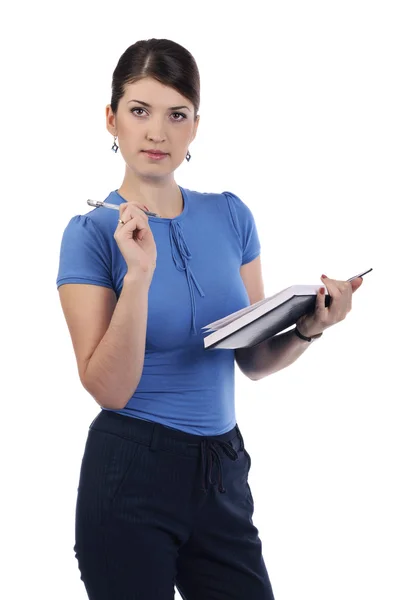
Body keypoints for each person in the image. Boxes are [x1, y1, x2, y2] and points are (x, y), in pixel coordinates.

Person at [56, 38, 363, 600]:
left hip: (222, 469)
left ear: (196, 125)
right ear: (112, 120)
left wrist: (309, 328)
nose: (157, 133)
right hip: (130, 470)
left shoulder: (230, 214)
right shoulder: (90, 235)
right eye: (140, 111)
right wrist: (140, 276)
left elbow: (250, 358)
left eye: (177, 115)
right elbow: (108, 389)